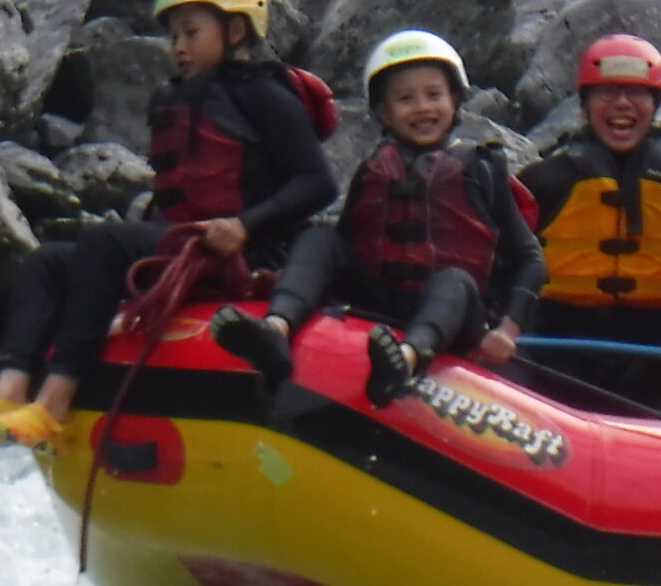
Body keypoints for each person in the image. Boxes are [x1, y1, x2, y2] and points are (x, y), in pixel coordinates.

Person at [0, 0, 337, 451]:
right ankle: (7, 393)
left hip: (244, 253)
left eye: (191, 32)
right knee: (47, 262)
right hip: (182, 245)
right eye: (174, 36)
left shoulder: (265, 93)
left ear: (236, 31)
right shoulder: (176, 97)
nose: (178, 47)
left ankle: (54, 404)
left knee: (104, 243)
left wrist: (244, 224)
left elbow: (318, 183)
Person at [210, 31, 544, 406]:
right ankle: (276, 327)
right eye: (405, 99)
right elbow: (343, 248)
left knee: (455, 281)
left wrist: (508, 328)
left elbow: (530, 257)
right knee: (320, 238)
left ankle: (406, 359)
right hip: (379, 304)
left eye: (434, 95)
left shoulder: (483, 169)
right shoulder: (373, 171)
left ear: (455, 100)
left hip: (454, 318)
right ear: (384, 113)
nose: (422, 108)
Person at [519, 34, 661, 421]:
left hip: (656, 349)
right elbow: (508, 260)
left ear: (655, 105)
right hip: (561, 347)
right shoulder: (547, 177)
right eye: (607, 93)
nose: (622, 104)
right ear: (584, 106)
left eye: (636, 93)